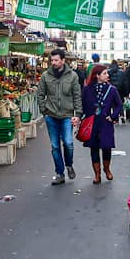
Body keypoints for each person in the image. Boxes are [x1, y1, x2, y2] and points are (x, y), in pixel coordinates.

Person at [37, 48, 83, 185]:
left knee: (68, 143)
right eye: (52, 60)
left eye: (56, 60)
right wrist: (44, 111)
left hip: (66, 115)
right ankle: (59, 173)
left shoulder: (72, 76)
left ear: (63, 61)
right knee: (55, 146)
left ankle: (69, 165)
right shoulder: (46, 76)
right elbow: (40, 94)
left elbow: (77, 96)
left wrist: (78, 115)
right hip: (51, 116)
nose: (54, 63)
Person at [81, 64, 122, 183]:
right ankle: (97, 174)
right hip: (92, 123)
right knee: (94, 148)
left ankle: (107, 169)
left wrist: (113, 116)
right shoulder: (87, 89)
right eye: (104, 73)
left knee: (107, 147)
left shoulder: (112, 89)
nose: (107, 75)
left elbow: (119, 104)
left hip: (105, 123)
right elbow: (82, 105)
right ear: (97, 76)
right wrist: (82, 118)